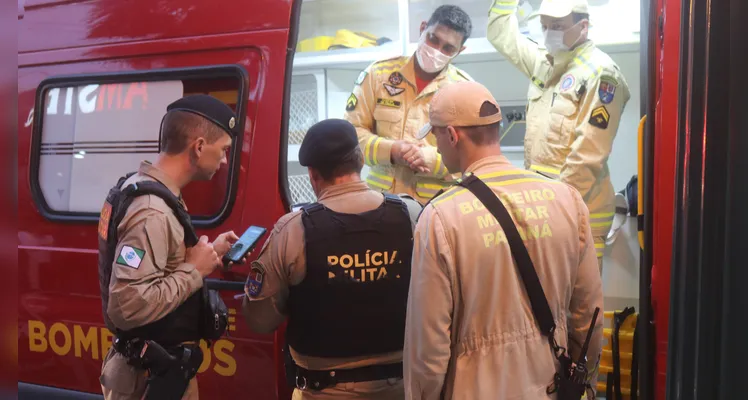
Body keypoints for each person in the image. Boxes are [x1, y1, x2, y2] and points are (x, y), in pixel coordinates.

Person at [403, 81, 603, 399]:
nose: (436, 146)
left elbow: (429, 346)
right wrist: (584, 380)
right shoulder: (567, 199)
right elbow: (587, 314)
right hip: (550, 385)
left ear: (452, 135)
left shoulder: (440, 217)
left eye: (436, 135)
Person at [241, 119, 423, 399]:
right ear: (361, 161)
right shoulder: (410, 215)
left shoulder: (292, 230)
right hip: (403, 387)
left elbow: (260, 320)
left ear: (313, 174)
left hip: (323, 390)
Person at [97, 94, 243, 400]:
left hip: (158, 372)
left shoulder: (151, 192)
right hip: (148, 381)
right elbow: (127, 305)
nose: (225, 160)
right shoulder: (152, 211)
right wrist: (194, 271)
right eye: (224, 150)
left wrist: (211, 252)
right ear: (199, 146)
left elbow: (156, 268)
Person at [487, 0, 631, 270]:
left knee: (577, 306)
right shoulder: (545, 63)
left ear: (583, 27)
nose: (548, 33)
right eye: (544, 26)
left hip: (577, 213)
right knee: (545, 303)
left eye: (557, 26)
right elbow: (500, 34)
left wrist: (551, 210)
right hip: (544, 209)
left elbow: (587, 155)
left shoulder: (601, 72)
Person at [344, 5, 474, 205]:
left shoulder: (465, 90)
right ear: (422, 29)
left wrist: (430, 160)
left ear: (460, 51)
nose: (437, 51)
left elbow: (473, 158)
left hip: (437, 209)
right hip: (379, 204)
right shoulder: (378, 75)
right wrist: (392, 150)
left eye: (448, 48)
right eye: (433, 39)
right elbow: (350, 135)